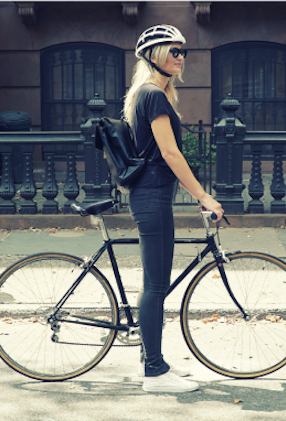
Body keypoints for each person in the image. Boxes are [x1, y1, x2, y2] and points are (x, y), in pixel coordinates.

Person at [124, 24, 224, 393]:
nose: (181, 57)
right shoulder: (152, 95)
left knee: (156, 283)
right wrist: (204, 196)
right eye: (173, 50)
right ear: (153, 55)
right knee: (155, 285)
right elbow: (169, 153)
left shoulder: (150, 94)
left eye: (183, 51)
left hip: (153, 194)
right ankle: (154, 372)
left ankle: (155, 360)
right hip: (151, 196)